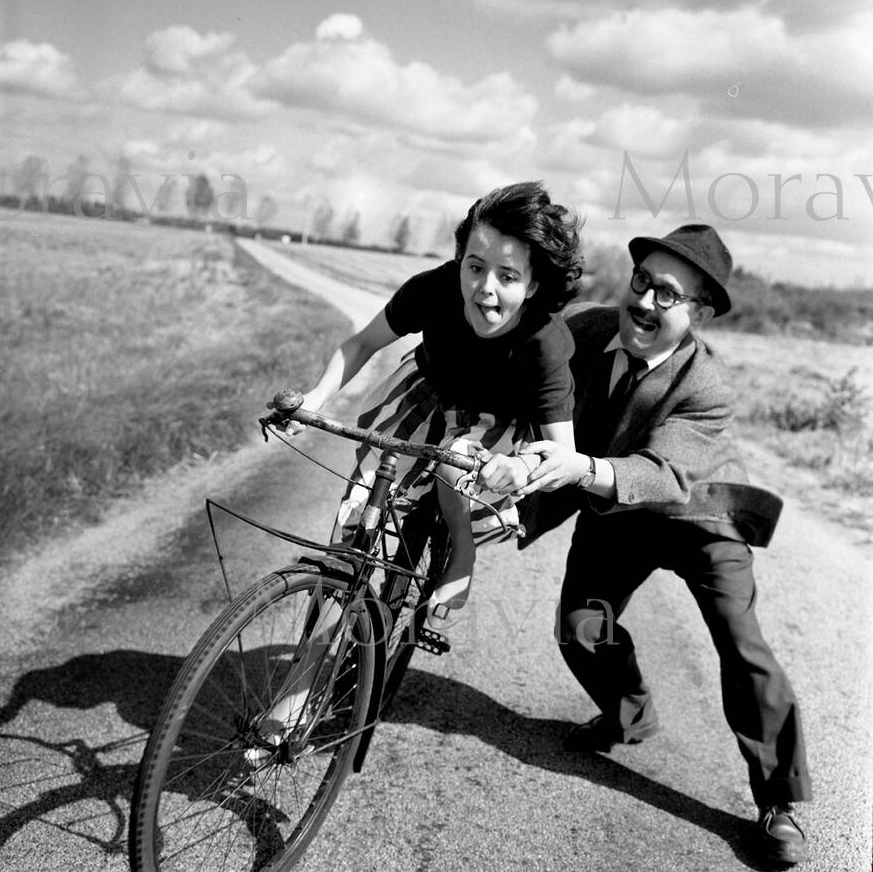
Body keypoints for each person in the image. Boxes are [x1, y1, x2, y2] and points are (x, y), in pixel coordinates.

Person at [478, 223, 811, 864]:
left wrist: (578, 470)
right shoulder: (588, 330)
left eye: (668, 295)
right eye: (641, 283)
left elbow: (661, 475)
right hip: (616, 509)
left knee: (741, 643)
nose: (645, 303)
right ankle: (628, 715)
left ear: (700, 313)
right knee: (580, 628)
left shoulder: (709, 388)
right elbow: (533, 387)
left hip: (699, 513)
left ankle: (780, 800)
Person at [284, 181, 582, 617]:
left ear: (533, 286)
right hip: (428, 392)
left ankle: (462, 551)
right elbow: (361, 344)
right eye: (475, 267)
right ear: (460, 260)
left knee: (454, 460)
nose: (485, 288)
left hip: (497, 423)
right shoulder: (434, 288)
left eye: (508, 276)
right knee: (358, 508)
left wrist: (521, 467)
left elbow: (563, 453)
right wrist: (314, 399)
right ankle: (315, 653)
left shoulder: (546, 343)